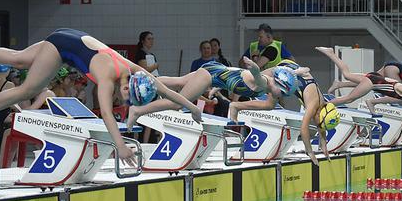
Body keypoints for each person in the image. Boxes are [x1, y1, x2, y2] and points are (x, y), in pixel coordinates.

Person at [0, 28, 201, 166]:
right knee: (26, 90)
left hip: (71, 36)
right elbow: (108, 116)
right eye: (126, 98)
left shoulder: (136, 72)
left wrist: (192, 107)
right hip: (62, 47)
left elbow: (164, 89)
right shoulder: (107, 77)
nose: (123, 102)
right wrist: (120, 145)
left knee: (18, 58)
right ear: (127, 88)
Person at [125, 57, 297, 124]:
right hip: (211, 74)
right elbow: (258, 77)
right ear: (277, 82)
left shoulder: (271, 88)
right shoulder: (263, 82)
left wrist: (298, 71)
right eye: (281, 92)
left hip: (216, 72)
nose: (280, 96)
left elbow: (268, 105)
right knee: (177, 104)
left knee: (178, 82)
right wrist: (253, 68)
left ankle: (141, 78)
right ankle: (137, 110)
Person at [229, 59, 329, 166]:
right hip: (283, 71)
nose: (317, 123)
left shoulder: (324, 105)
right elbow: (304, 128)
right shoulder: (313, 106)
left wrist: (323, 141)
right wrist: (310, 152)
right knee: (251, 82)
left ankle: (237, 106)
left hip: (292, 70)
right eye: (319, 123)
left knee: (269, 105)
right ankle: (230, 98)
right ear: (319, 114)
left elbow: (321, 122)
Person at [316, 46, 402, 115]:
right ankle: (321, 106)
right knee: (349, 98)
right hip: (372, 82)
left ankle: (331, 53)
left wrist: (372, 106)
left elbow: (383, 99)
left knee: (347, 75)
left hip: (374, 79)